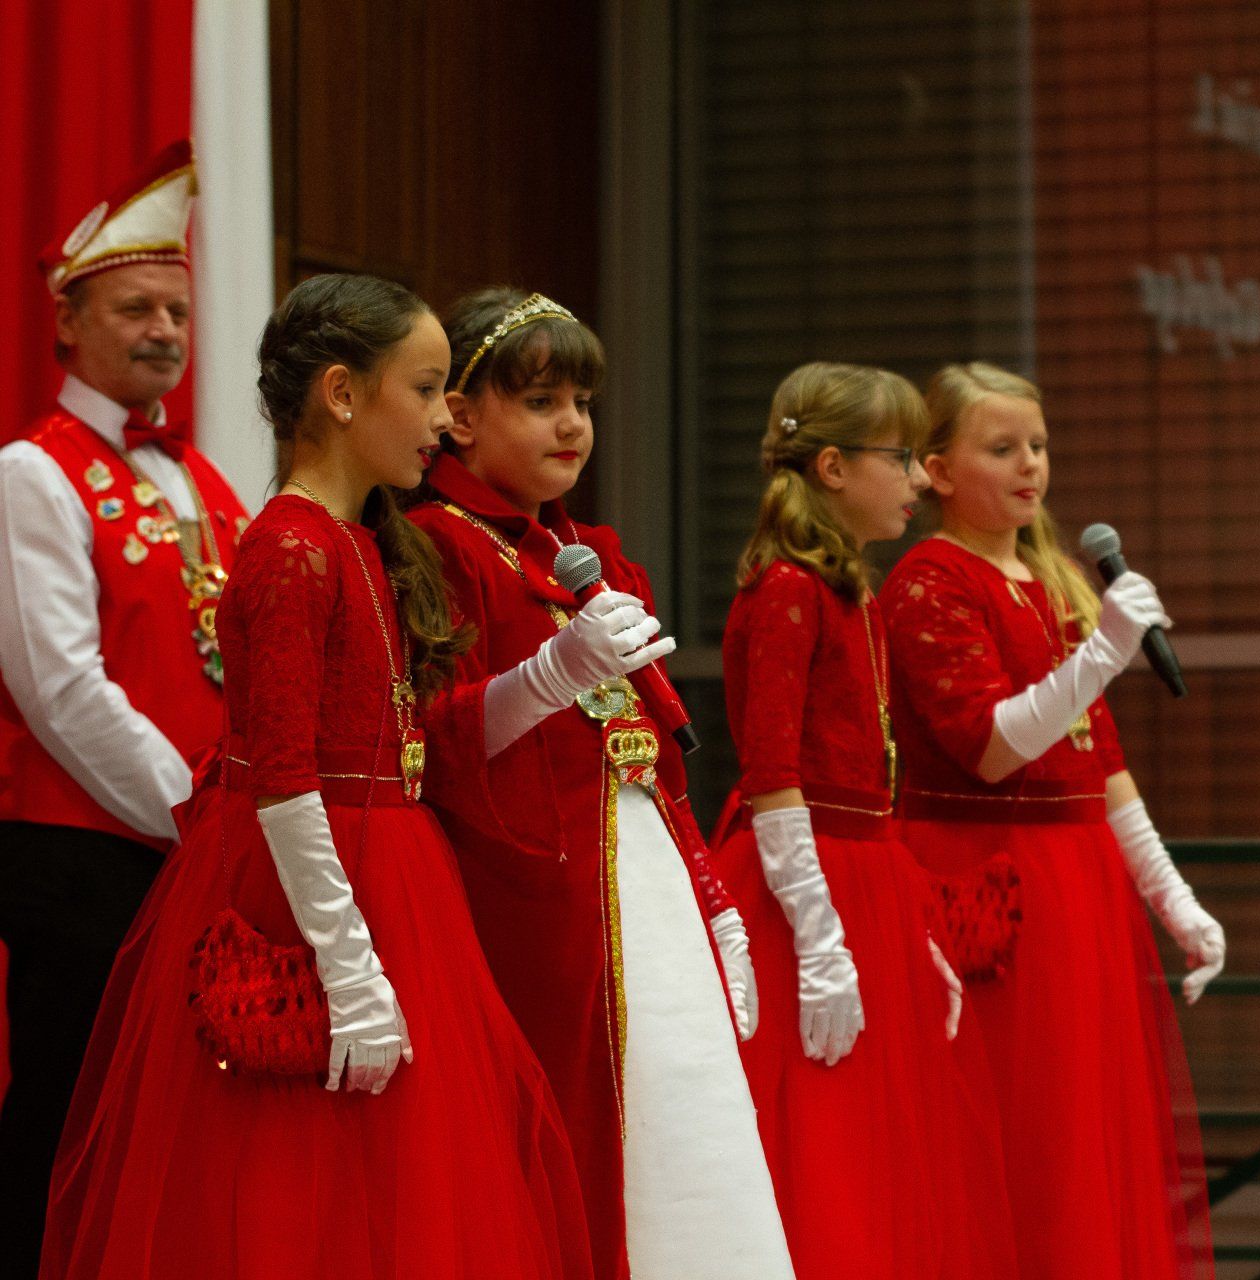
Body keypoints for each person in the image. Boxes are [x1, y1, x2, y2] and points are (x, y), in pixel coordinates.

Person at [40, 274, 622, 1277]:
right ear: (344, 395)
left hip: (394, 869)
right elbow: (282, 774)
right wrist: (348, 971)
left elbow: (410, 733)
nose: (442, 418)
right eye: (427, 388)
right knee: (303, 1173)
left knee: (397, 1176)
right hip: (318, 881)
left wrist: (554, 673)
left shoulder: (363, 540)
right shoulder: (290, 550)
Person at [410, 286, 791, 1279]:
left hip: (641, 882)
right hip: (526, 889)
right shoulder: (436, 545)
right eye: (541, 401)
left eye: (582, 401)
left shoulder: (594, 556)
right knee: (570, 1134)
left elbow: (655, 751)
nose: (573, 424)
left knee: (683, 1109)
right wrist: (548, 677)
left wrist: (712, 894)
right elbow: (430, 740)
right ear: (461, 415)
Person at [879, 361, 1220, 1279]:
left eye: (1038, 445)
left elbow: (1096, 760)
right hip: (993, 881)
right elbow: (991, 747)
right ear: (937, 470)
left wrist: (1172, 897)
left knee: (1083, 1135)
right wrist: (1103, 652)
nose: (1029, 464)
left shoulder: (1054, 576)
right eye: (1001, 448)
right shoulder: (928, 583)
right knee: (1017, 1132)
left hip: (1080, 887)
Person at [0, 139, 251, 1267]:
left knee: (178, 1124)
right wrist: (195, 812)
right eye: (135, 308)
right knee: (68, 1116)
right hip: (85, 856)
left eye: (178, 312)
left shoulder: (203, 478)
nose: (163, 331)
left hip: (194, 846)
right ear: (67, 322)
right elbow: (60, 688)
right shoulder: (31, 474)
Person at [708, 362, 1016, 1279]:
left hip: (868, 879)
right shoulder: (788, 589)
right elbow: (772, 775)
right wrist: (818, 941)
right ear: (834, 467)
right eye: (901, 458)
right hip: (807, 887)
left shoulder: (850, 590)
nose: (919, 478)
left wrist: (908, 926)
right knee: (824, 1145)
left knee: (887, 1148)